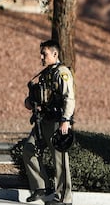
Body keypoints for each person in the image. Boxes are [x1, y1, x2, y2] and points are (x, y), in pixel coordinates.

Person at [23, 40, 75, 205]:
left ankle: (64, 198)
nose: (41, 57)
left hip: (58, 122)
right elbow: (40, 96)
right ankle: (41, 187)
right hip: (43, 121)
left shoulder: (62, 72)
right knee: (29, 150)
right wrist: (30, 101)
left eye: (44, 54)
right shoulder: (45, 73)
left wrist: (65, 120)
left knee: (60, 161)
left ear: (55, 54)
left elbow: (69, 98)